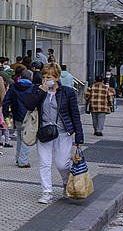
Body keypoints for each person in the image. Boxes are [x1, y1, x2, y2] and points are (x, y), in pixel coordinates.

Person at [23, 63, 84, 204]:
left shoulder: (67, 92)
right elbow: (29, 105)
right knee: (45, 163)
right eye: (44, 76)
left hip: (63, 132)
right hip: (44, 132)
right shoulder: (38, 90)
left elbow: (75, 114)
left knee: (62, 164)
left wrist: (79, 136)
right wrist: (42, 91)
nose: (46, 79)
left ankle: (65, 183)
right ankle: (47, 192)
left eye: (49, 77)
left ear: (56, 77)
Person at [3, 66, 36, 168]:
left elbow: (6, 101)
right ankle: (23, 160)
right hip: (29, 116)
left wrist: (6, 114)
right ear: (31, 78)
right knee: (26, 138)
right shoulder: (33, 88)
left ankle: (18, 158)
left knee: (19, 137)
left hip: (17, 115)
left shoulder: (13, 87)